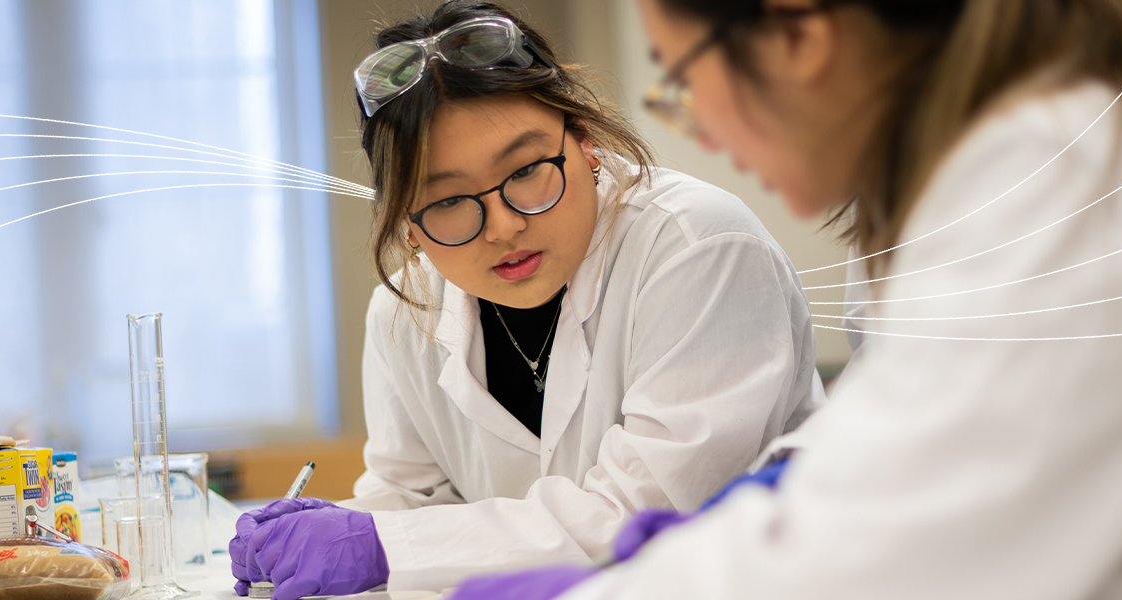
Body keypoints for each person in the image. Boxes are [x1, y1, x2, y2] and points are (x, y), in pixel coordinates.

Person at [451, 0, 1122, 598]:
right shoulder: (989, 163)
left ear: (799, 31)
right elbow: (937, 417)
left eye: (680, 78)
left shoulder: (1058, 176)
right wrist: (795, 481)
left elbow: (891, 554)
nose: (699, 127)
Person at [226, 2, 824, 598]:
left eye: (527, 169)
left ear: (584, 140)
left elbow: (642, 515)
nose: (504, 226)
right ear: (406, 221)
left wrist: (383, 545)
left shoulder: (697, 247)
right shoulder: (404, 311)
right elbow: (406, 501)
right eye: (448, 200)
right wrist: (334, 533)